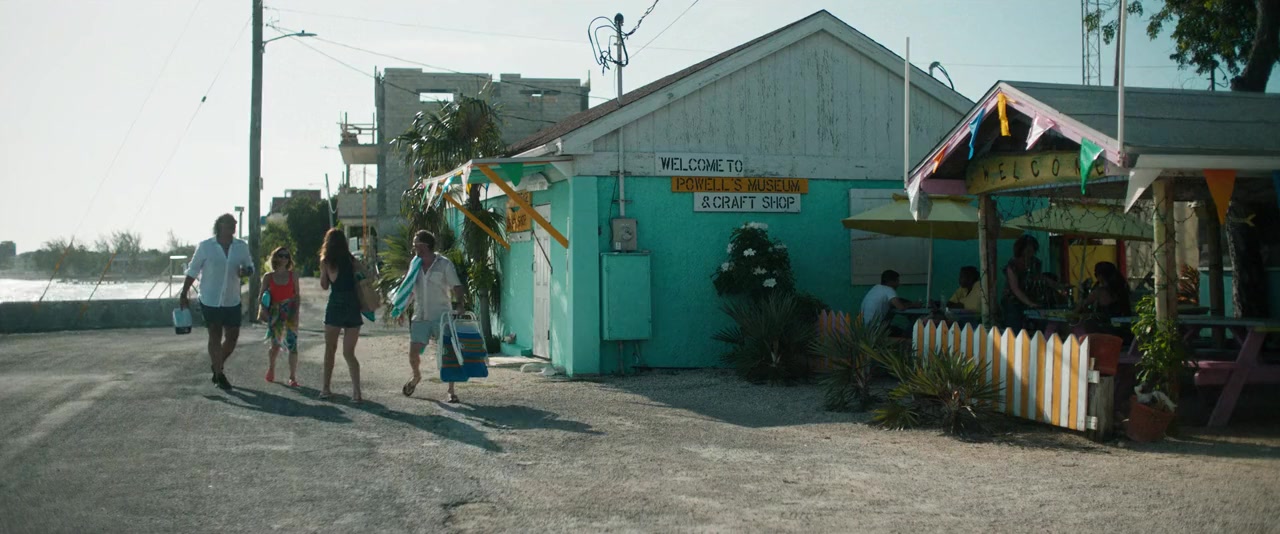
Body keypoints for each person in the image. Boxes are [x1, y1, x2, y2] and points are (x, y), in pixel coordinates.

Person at [180, 213, 255, 390]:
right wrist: (184, 293)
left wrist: (246, 271)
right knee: (214, 334)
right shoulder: (206, 246)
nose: (233, 226)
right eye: (229, 223)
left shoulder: (241, 246)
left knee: (232, 337)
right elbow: (193, 271)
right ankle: (219, 374)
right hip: (210, 299)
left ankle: (216, 363)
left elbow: (250, 266)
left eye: (234, 224)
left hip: (232, 298)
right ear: (220, 225)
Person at [393, 230, 467, 403]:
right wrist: (401, 309)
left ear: (425, 246)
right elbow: (410, 290)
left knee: (448, 353)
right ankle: (416, 376)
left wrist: (460, 304)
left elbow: (456, 286)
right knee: (413, 353)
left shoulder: (444, 264)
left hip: (441, 316)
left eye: (416, 244)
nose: (414, 248)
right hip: (420, 316)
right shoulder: (415, 265)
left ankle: (451, 390)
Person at [319, 228, 363, 402]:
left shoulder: (326, 262)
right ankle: (357, 393)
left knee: (330, 350)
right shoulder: (352, 260)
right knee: (349, 353)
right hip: (352, 305)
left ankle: (325, 389)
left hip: (335, 305)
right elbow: (367, 275)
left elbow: (324, 285)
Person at [259, 246, 300, 387]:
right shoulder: (268, 277)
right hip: (275, 312)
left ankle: (292, 377)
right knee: (275, 345)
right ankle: (271, 368)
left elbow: (297, 296)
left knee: (292, 344)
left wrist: (296, 314)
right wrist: (264, 311)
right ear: (275, 257)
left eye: (286, 256)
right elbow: (261, 296)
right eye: (281, 255)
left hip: (290, 311)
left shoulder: (293, 275)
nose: (283, 258)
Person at [1075, 261, 1133, 336]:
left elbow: (1082, 306)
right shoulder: (1123, 288)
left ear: (1101, 276)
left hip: (1107, 331)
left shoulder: (1100, 292)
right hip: (1126, 329)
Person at [1001, 235, 1045, 330]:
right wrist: (1029, 303)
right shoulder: (1013, 264)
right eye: (1027, 250)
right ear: (1020, 250)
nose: (1030, 253)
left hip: (1031, 298)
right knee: (1015, 327)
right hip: (1013, 301)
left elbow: (1039, 278)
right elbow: (1015, 288)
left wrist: (1057, 286)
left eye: (1032, 250)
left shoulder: (1035, 263)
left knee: (1040, 323)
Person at [859, 269, 917, 335]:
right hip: (876, 329)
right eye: (897, 281)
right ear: (891, 282)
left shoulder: (875, 288)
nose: (898, 284)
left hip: (864, 329)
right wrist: (914, 305)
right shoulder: (889, 290)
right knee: (904, 334)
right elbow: (900, 307)